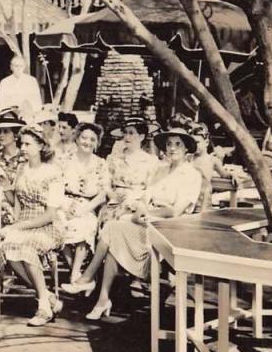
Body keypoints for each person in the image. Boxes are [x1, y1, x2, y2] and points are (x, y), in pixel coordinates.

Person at [82, 127, 202, 320]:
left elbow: (175, 211)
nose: (172, 148)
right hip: (147, 221)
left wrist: (148, 212)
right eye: (169, 144)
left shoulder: (191, 175)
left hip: (170, 229)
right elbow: (146, 198)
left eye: (178, 144)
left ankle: (90, 281)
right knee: (114, 229)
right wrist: (141, 210)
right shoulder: (161, 170)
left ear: (187, 148)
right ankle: (101, 296)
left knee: (115, 231)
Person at [0, 125, 65, 327]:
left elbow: (50, 214)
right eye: (21, 143)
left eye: (28, 144)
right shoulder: (22, 169)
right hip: (24, 221)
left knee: (24, 248)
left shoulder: (53, 172)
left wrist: (18, 228)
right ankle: (48, 297)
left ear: (41, 145)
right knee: (5, 248)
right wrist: (5, 183)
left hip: (47, 226)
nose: (23, 148)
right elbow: (16, 204)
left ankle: (43, 307)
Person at [58, 123, 110, 295]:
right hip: (64, 202)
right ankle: (79, 273)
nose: (87, 142)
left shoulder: (101, 164)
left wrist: (85, 208)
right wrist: (65, 206)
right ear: (77, 139)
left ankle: (74, 275)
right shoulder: (64, 160)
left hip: (88, 205)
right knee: (58, 223)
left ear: (97, 143)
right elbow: (56, 185)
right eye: (84, 138)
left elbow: (103, 194)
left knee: (85, 224)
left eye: (92, 139)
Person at [98, 116, 160, 228]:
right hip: (114, 203)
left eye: (131, 133)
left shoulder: (151, 161)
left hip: (136, 205)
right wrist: (112, 194)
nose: (127, 137)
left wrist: (138, 203)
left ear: (141, 136)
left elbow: (151, 187)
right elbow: (105, 182)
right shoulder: (113, 158)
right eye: (125, 133)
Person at [0, 108, 27, 250]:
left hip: (20, 203)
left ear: (16, 135)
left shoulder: (25, 158)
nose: (0, 135)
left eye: (5, 131)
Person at [188, 122, 234, 212]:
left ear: (206, 143)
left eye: (197, 142)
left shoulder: (212, 160)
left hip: (203, 203)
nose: (194, 145)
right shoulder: (188, 158)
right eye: (192, 142)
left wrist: (232, 175)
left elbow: (224, 174)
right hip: (188, 201)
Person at [0, 56, 42, 124]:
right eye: (16, 66)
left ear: (24, 67)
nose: (18, 68)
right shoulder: (5, 82)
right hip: (9, 116)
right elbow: (0, 102)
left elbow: (37, 101)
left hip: (28, 116)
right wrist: (12, 111)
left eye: (21, 66)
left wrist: (28, 111)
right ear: (11, 67)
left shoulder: (31, 81)